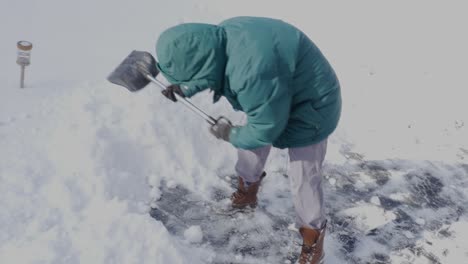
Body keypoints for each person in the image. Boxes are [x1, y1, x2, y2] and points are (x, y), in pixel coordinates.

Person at [156, 16, 341, 264]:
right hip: (277, 92)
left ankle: (313, 241)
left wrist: (229, 133)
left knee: (303, 178)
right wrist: (186, 88)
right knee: (250, 146)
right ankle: (247, 192)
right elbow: (212, 67)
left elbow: (265, 127)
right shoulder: (221, 38)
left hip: (313, 105)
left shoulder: (253, 70)